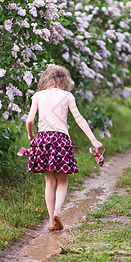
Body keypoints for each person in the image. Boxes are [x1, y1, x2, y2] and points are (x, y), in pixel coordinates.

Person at [26, 65, 102, 231]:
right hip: (61, 140)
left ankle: (51, 222)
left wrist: (32, 136)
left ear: (45, 79)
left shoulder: (38, 95)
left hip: (43, 140)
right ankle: (57, 212)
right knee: (62, 180)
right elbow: (79, 119)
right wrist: (94, 140)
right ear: (64, 80)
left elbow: (29, 121)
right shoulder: (67, 96)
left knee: (49, 181)